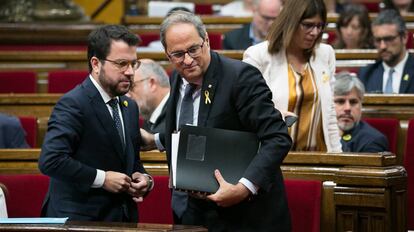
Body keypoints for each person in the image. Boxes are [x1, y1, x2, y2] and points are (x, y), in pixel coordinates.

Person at [141, 10, 292, 231]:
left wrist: (243, 188)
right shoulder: (178, 77)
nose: (188, 60)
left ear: (207, 41)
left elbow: (277, 138)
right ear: (167, 54)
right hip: (194, 213)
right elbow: (199, 129)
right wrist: (156, 140)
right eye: (178, 54)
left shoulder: (241, 78)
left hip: (247, 217)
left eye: (194, 49)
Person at [38, 25, 153, 222]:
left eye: (134, 63)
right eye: (121, 63)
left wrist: (145, 179)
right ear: (96, 64)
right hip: (78, 220)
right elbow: (51, 160)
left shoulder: (129, 106)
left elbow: (130, 161)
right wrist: (102, 179)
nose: (131, 72)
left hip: (122, 219)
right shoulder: (74, 103)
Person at [243, 0, 342, 152]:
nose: (315, 32)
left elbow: (330, 114)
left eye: (319, 26)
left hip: (319, 158)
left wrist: (337, 156)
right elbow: (247, 110)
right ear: (291, 22)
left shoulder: (326, 54)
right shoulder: (258, 55)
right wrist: (275, 115)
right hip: (271, 157)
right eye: (308, 25)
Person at [358, 9, 414, 94]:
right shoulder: (366, 74)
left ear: (404, 37)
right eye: (377, 40)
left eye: (388, 39)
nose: (382, 46)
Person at [333, 72, 389, 152]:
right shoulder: (315, 133)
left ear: (361, 105)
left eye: (353, 102)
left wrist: (336, 139)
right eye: (340, 101)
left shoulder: (373, 141)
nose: (347, 108)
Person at [128, 59, 170, 134]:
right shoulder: (151, 118)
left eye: (131, 87)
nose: (127, 95)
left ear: (152, 83)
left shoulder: (176, 113)